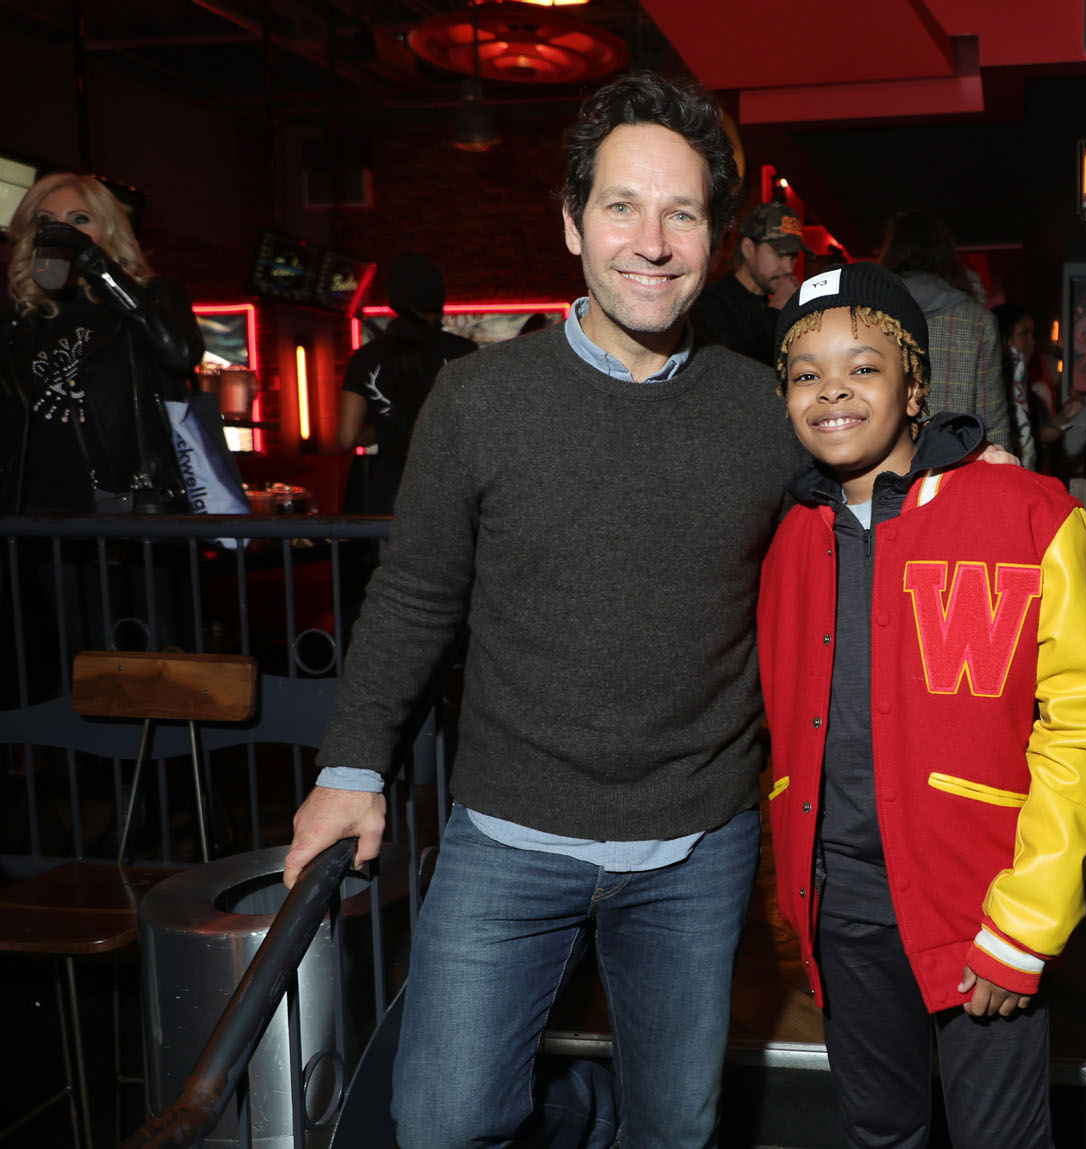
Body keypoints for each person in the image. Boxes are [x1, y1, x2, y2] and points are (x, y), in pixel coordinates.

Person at [281, 72, 806, 1147]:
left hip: (697, 842)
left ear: (715, 240)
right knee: (442, 1123)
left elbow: (875, 489)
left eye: (682, 213)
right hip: (509, 833)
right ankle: (575, 1116)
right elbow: (416, 594)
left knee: (677, 1129)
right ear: (572, 224)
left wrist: (959, 462)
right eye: (622, 206)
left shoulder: (765, 413)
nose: (651, 242)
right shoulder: (479, 401)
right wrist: (350, 768)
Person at [758, 262, 1086, 1147]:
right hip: (841, 906)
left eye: (864, 366)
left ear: (915, 384)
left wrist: (1026, 923)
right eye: (806, 373)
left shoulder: (1025, 514)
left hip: (982, 904)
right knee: (879, 1130)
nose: (832, 390)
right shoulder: (785, 540)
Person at [0, 171, 203, 513]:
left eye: (79, 220)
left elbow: (181, 355)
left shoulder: (152, 298)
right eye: (47, 222)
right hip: (36, 515)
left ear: (109, 230)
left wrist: (96, 265)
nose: (63, 232)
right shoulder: (22, 320)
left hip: (127, 512)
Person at [338, 252, 477, 515]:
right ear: (439, 298)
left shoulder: (366, 358)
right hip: (451, 498)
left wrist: (389, 426)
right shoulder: (464, 353)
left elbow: (347, 438)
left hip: (389, 499)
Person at [878, 209, 1012, 453]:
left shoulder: (870, 313)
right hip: (954, 463)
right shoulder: (978, 320)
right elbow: (994, 422)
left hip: (883, 461)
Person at [689, 201, 806, 364]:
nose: (788, 268)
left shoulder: (768, 304)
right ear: (749, 249)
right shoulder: (710, 303)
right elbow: (737, 366)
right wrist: (776, 309)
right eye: (779, 255)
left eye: (793, 257)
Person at [993, 302, 1086, 476]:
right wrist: (1039, 436)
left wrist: (1065, 415)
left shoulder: (1025, 386)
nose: (1032, 342)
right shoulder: (994, 386)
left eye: (1032, 334)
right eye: (1024, 334)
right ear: (1003, 339)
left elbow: (1040, 435)